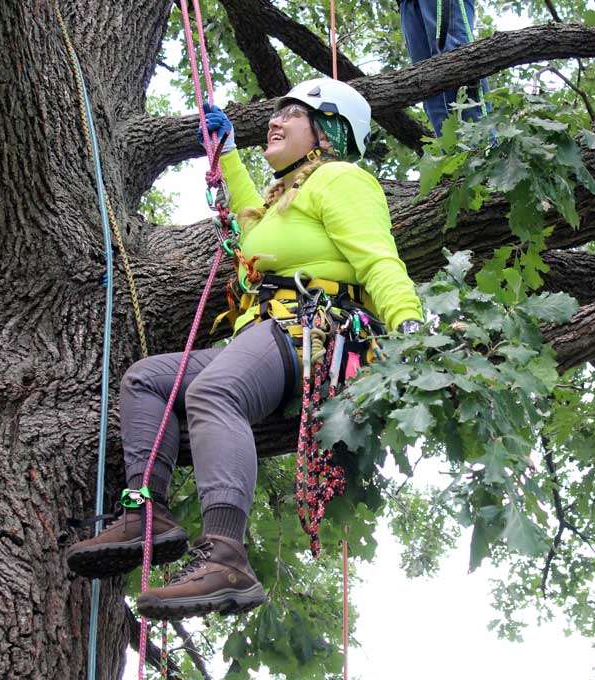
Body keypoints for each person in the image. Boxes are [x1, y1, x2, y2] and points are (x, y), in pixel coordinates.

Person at [65, 78, 423, 620]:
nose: (274, 122)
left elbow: (379, 260)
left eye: (293, 114)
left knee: (214, 392)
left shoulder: (343, 180)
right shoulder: (289, 198)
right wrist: (228, 154)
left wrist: (412, 332)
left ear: (327, 131)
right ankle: (147, 512)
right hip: (266, 334)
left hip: (309, 330)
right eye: (275, 113)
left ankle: (226, 554)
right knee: (146, 380)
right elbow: (253, 224)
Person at [398, 0, 490, 136]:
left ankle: (484, 149)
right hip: (406, 4)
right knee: (425, 82)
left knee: (458, 62)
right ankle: (453, 153)